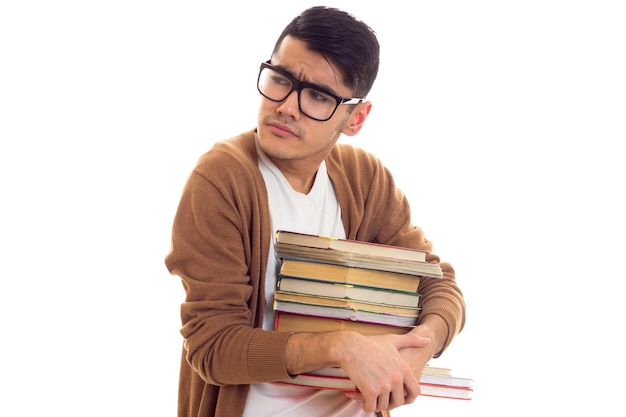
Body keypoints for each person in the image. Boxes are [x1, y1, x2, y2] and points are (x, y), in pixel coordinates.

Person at [165, 6, 465, 417]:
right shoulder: (222, 179)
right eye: (280, 80)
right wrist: (338, 345)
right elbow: (212, 346)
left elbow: (437, 282)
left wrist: (424, 344)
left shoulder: (364, 179)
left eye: (318, 96)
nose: (287, 106)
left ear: (355, 117)